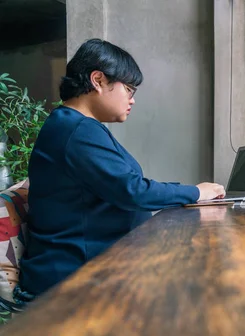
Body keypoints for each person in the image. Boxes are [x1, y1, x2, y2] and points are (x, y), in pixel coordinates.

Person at [15, 39, 225, 302]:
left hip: (94, 265)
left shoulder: (72, 126)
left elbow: (128, 187)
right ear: (98, 80)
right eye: (129, 89)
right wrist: (195, 192)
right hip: (74, 279)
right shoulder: (77, 130)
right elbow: (132, 191)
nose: (132, 100)